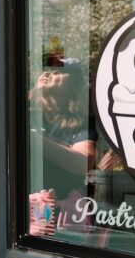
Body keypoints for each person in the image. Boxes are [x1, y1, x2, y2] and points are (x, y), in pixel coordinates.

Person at [28, 59, 96, 235]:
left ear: (73, 84)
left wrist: (34, 139)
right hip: (25, 210)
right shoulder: (23, 111)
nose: (50, 73)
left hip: (66, 214)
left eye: (59, 71)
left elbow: (82, 162)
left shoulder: (81, 121)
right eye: (47, 69)